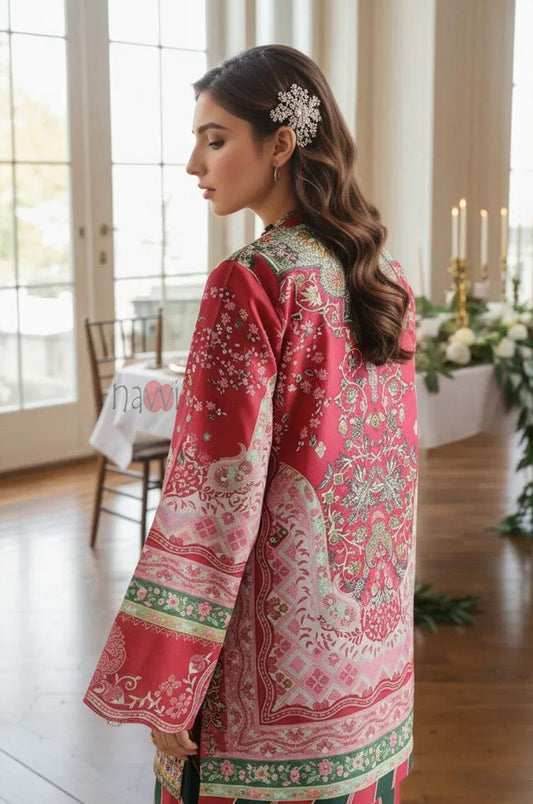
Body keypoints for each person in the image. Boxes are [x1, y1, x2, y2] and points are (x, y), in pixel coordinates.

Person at [83, 44, 418, 804]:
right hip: (364, 669)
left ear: (279, 144)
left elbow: (211, 497)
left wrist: (172, 678)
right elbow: (390, 479)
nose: (193, 165)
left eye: (214, 139)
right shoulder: (384, 274)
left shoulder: (252, 281)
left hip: (262, 674)